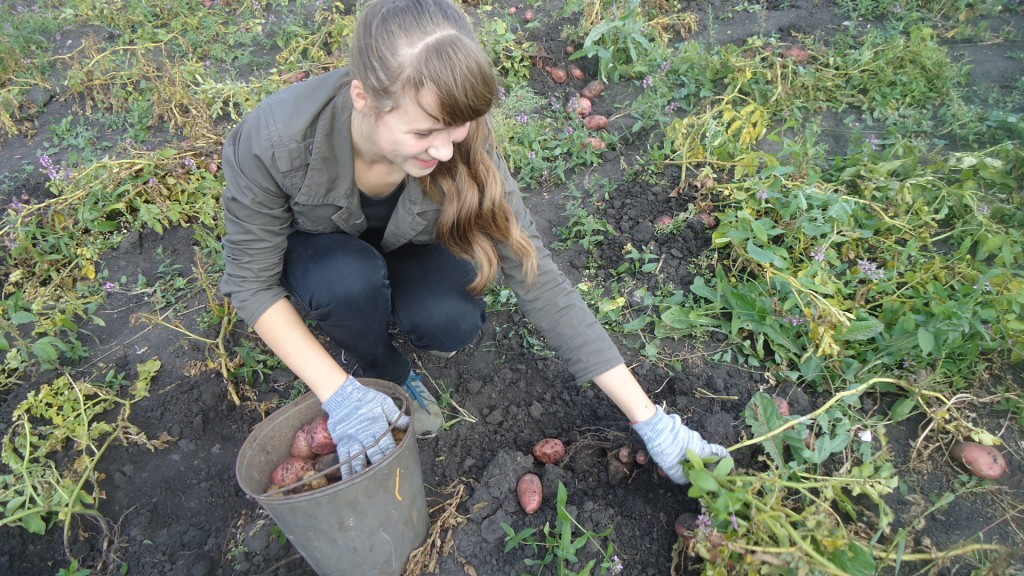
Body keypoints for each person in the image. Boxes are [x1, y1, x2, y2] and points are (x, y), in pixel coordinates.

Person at [221, 0, 729, 482]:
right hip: (328, 255)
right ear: (364, 99)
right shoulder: (276, 139)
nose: (445, 151)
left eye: (456, 128)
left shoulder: (459, 139)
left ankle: (399, 307)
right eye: (424, 133)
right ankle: (381, 366)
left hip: (406, 245)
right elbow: (252, 284)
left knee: (450, 321)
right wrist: (340, 395)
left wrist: (651, 421)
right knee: (346, 283)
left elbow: (536, 276)